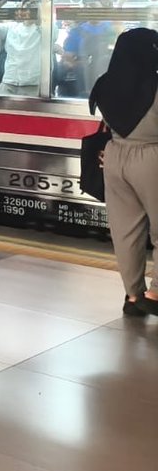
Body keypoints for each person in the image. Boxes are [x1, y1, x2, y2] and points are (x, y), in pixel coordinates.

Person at [89, 29, 158, 317]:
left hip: (114, 157)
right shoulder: (154, 85)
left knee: (126, 231)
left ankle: (133, 296)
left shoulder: (105, 83)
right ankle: (155, 293)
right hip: (152, 157)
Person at [0, 0, 43, 96]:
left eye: (33, 7)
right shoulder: (12, 27)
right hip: (9, 82)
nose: (30, 11)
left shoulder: (43, 30)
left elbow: (43, 24)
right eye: (27, 7)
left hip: (31, 85)